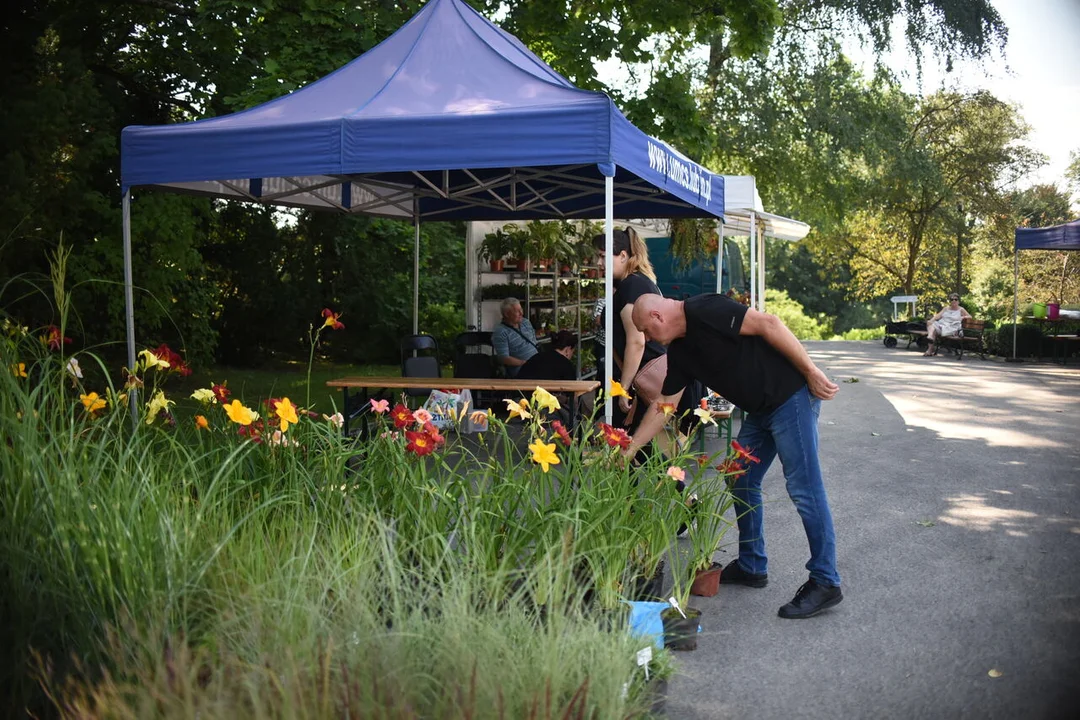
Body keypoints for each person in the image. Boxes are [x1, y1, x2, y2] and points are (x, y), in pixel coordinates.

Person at [626, 293, 843, 619]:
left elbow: (769, 324)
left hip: (790, 398)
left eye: (646, 330)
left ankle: (826, 581)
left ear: (657, 317)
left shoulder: (705, 309)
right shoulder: (682, 352)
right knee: (739, 478)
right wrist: (629, 449)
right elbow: (663, 406)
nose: (647, 338)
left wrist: (811, 371)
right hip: (760, 411)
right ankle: (752, 564)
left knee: (804, 488)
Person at [491, 297, 538, 377]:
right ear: (506, 314)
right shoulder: (501, 332)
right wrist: (524, 363)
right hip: (522, 369)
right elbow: (504, 358)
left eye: (521, 309)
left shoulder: (525, 322)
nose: (521, 313)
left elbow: (534, 341)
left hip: (537, 364)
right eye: (517, 311)